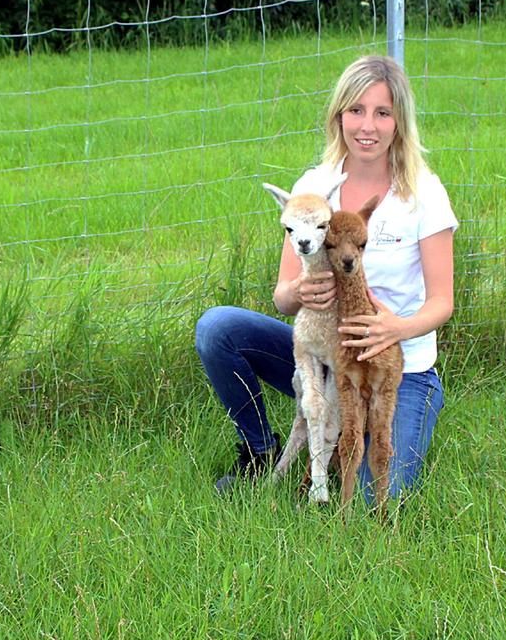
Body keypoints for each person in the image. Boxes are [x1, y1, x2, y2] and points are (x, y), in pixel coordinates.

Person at [194, 54, 459, 505]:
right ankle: (261, 452)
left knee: (385, 492)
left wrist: (396, 327)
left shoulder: (423, 193)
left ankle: (387, 419)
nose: (367, 127)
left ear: (400, 121)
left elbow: (442, 303)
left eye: (382, 113)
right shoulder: (314, 187)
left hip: (396, 366)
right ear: (338, 116)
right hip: (322, 356)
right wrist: (298, 292)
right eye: (355, 110)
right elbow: (282, 298)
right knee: (217, 329)